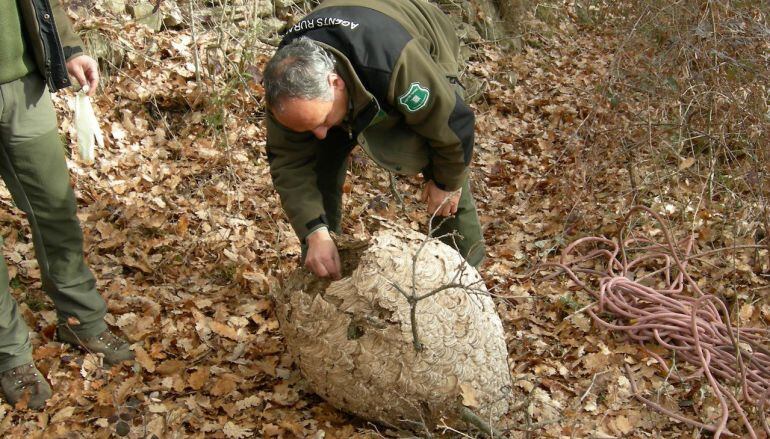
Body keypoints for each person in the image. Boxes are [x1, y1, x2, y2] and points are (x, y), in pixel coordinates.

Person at [263, 0, 485, 280]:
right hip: (355, 50)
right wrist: (314, 231)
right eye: (310, 126)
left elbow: (451, 124)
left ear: (335, 83)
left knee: (445, 172)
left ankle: (464, 274)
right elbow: (290, 163)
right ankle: (325, 264)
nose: (319, 134)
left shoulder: (395, 60)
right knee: (319, 159)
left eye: (322, 121)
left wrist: (447, 183)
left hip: (418, 32)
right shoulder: (285, 90)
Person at [0, 0, 134, 409]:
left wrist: (68, 47)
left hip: (21, 83)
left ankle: (82, 321)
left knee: (55, 210)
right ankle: (10, 354)